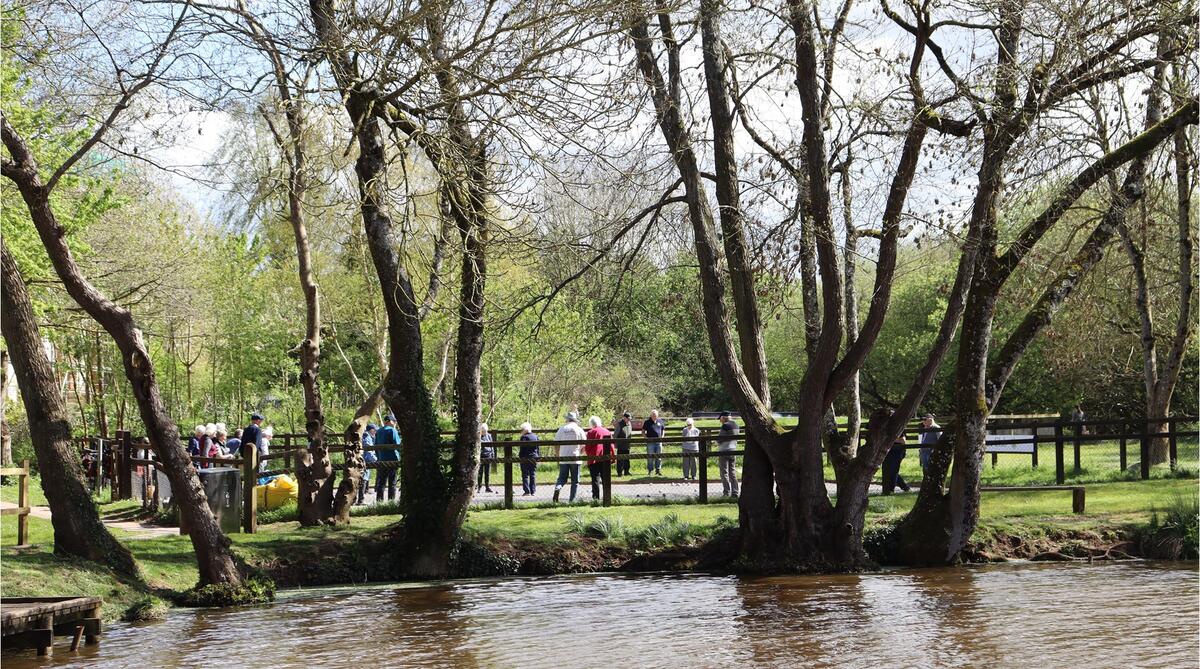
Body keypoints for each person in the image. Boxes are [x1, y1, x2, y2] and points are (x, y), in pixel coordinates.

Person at [552, 412, 586, 503]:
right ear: (575, 420)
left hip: (563, 457)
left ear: (567, 419)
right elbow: (585, 444)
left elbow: (556, 444)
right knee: (575, 481)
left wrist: (558, 455)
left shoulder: (561, 429)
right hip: (575, 457)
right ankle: (572, 500)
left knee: (562, 478)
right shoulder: (579, 429)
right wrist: (580, 453)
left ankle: (558, 488)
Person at [584, 416, 614, 501]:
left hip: (594, 459)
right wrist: (613, 457)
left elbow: (588, 446)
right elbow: (611, 446)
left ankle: (596, 499)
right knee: (606, 479)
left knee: (595, 479)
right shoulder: (607, 431)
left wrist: (589, 455)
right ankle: (607, 498)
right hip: (605, 458)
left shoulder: (591, 432)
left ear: (591, 424)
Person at [374, 415, 401, 502]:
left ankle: (379, 501)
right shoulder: (392, 430)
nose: (396, 423)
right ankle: (391, 501)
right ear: (390, 421)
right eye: (395, 421)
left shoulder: (378, 431)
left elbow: (375, 447)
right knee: (392, 482)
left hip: (382, 459)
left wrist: (379, 457)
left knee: (381, 482)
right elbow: (397, 444)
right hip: (392, 459)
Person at [881, 421, 910, 495]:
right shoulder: (885, 428)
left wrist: (890, 439)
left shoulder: (900, 428)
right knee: (889, 470)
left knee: (893, 470)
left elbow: (903, 441)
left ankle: (891, 489)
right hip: (888, 451)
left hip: (897, 451)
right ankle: (904, 487)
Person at [717, 412, 740, 498]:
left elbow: (720, 438)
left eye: (720, 419)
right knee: (732, 472)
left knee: (724, 472)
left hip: (724, 450)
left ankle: (726, 492)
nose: (720, 421)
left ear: (723, 418)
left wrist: (716, 442)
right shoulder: (736, 425)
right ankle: (735, 492)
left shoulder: (725, 425)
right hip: (733, 450)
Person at [518, 422, 540, 496]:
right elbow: (537, 448)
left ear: (524, 430)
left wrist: (520, 457)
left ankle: (527, 491)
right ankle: (533, 491)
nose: (521, 431)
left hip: (525, 458)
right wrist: (538, 456)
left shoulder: (524, 437)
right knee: (532, 474)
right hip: (534, 457)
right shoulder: (535, 436)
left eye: (522, 429)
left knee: (525, 475)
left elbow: (522, 449)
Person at [358, 424, 377, 505]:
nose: (375, 431)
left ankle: (360, 498)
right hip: (365, 460)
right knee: (363, 479)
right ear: (371, 430)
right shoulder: (367, 437)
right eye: (374, 430)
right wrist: (376, 459)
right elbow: (368, 451)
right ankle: (360, 500)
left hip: (364, 460)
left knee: (363, 479)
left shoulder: (366, 436)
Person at [642, 410, 666, 476]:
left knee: (659, 456)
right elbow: (643, 432)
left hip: (659, 442)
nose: (654, 416)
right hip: (650, 442)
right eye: (653, 415)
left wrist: (662, 437)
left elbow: (663, 430)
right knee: (650, 457)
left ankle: (658, 470)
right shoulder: (647, 422)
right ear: (651, 415)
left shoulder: (660, 421)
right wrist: (646, 438)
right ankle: (650, 470)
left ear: (657, 415)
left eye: (655, 415)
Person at [613, 412, 633, 477]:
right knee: (620, 460)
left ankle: (626, 471)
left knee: (627, 459)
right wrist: (615, 444)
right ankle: (619, 473)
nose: (629, 420)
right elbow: (615, 435)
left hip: (627, 445)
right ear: (624, 418)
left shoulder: (629, 424)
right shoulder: (619, 424)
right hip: (620, 445)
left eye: (630, 419)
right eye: (628, 418)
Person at [477, 423, 494, 493]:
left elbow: (492, 445)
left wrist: (493, 454)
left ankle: (487, 487)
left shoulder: (489, 436)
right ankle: (479, 487)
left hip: (488, 455)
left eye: (486, 431)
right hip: (481, 456)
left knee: (487, 473)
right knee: (480, 472)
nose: (485, 432)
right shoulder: (479, 436)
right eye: (483, 431)